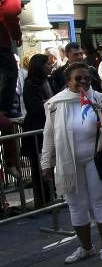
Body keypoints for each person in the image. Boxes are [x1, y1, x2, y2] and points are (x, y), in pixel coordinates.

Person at [41, 62, 102, 263]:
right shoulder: (55, 104)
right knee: (76, 205)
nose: (83, 82)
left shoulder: (99, 99)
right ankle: (86, 247)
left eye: (87, 78)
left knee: (100, 201)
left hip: (95, 159)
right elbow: (48, 135)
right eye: (78, 78)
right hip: (69, 162)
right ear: (68, 81)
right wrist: (46, 163)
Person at [21, 54, 55, 207]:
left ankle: (51, 196)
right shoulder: (30, 84)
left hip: (48, 128)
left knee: (49, 164)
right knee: (38, 166)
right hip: (36, 131)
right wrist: (49, 104)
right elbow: (35, 108)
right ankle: (42, 199)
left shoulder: (47, 81)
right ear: (39, 66)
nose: (51, 66)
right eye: (48, 64)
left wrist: (48, 103)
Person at [0, 0, 25, 117]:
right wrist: (16, 35)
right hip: (1, 40)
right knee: (11, 72)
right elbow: (10, 13)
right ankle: (4, 109)